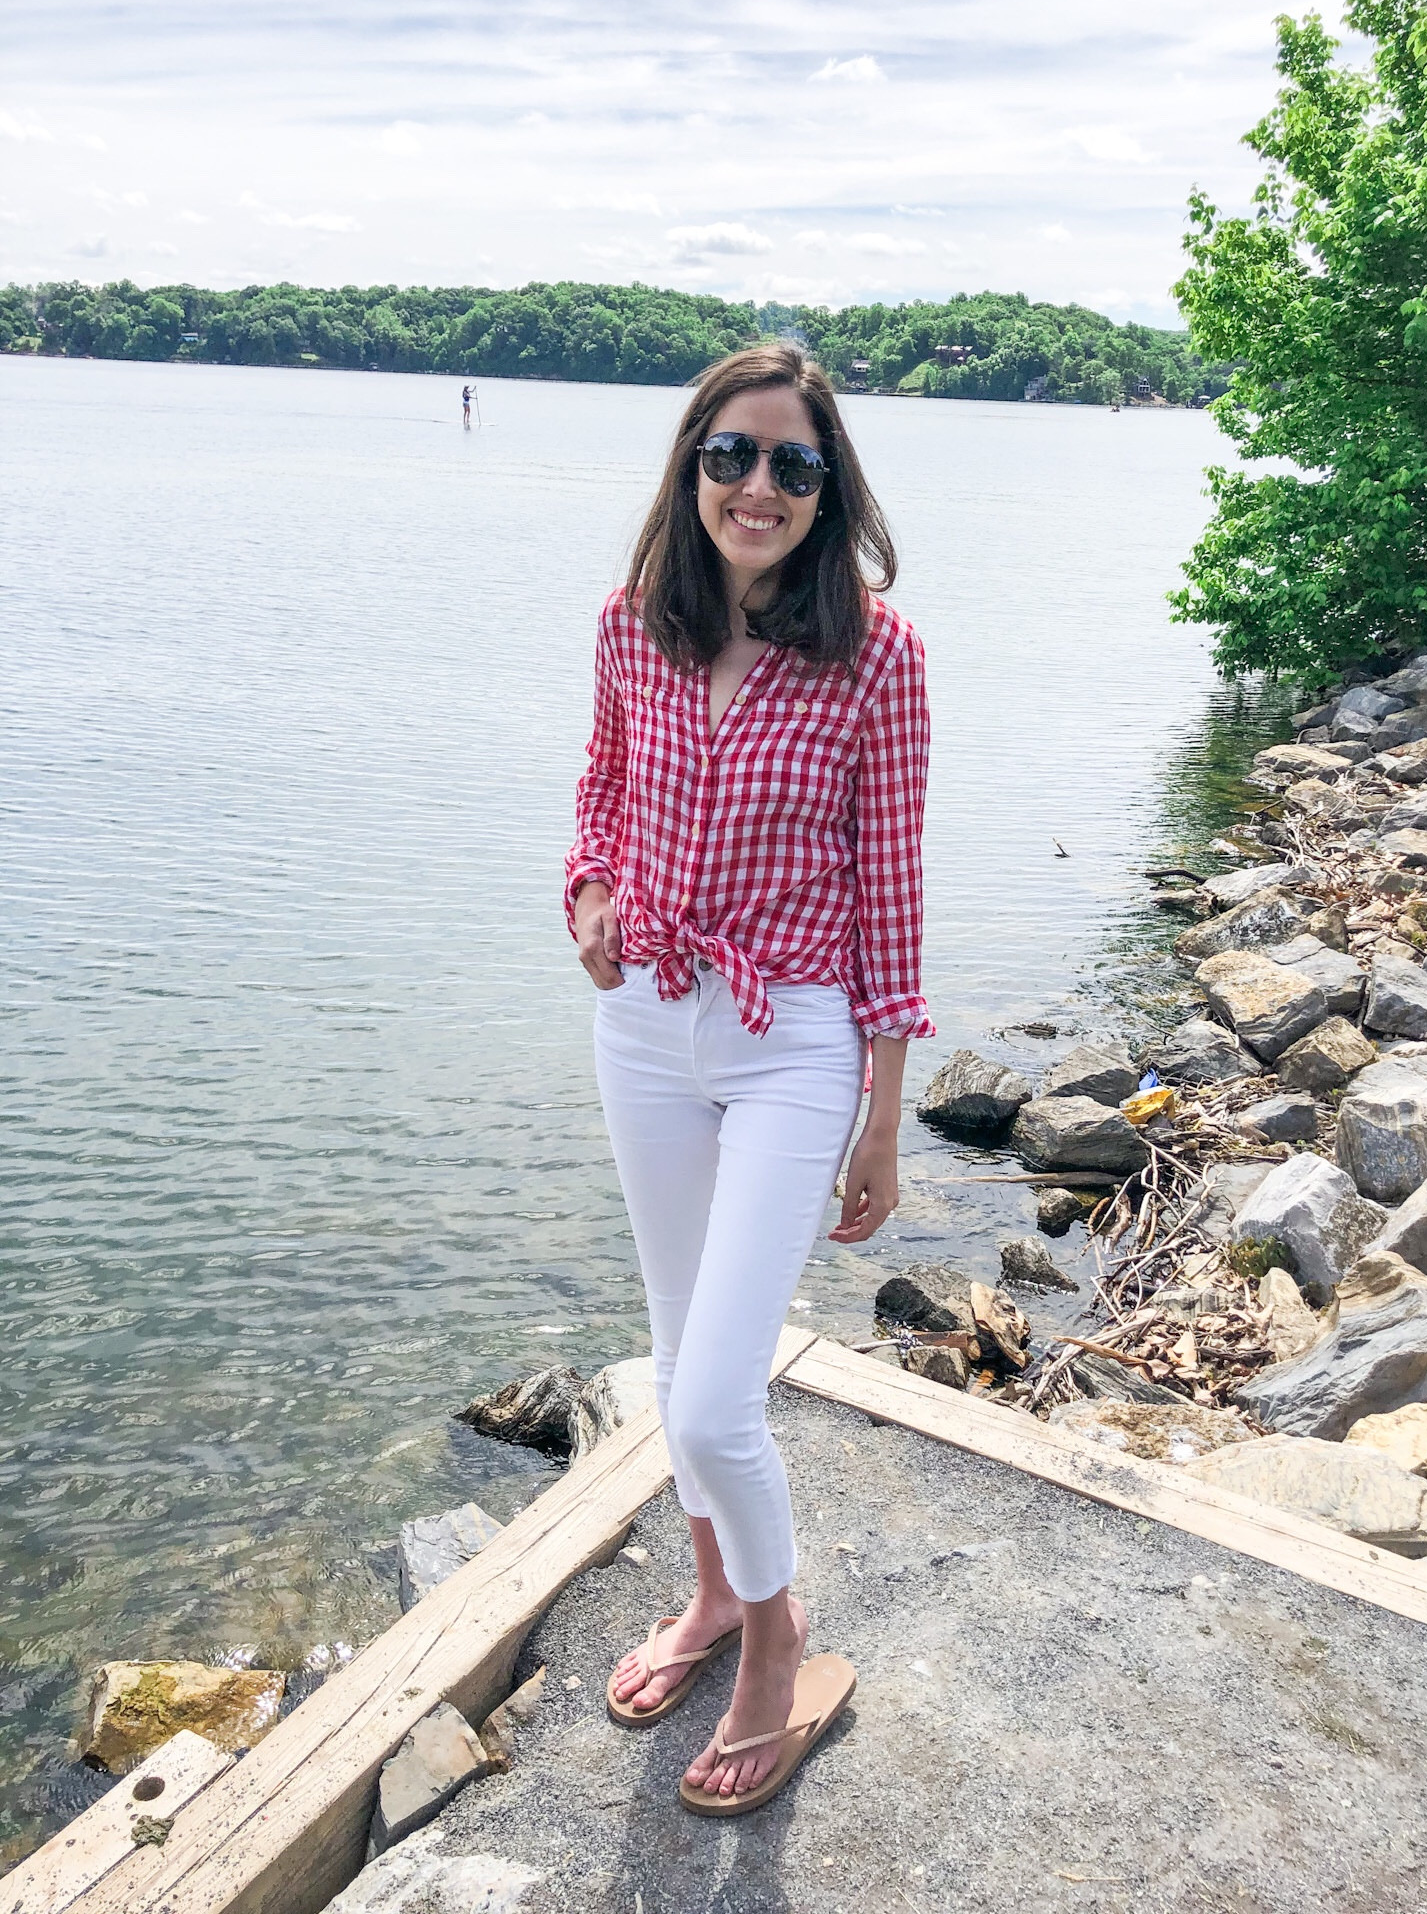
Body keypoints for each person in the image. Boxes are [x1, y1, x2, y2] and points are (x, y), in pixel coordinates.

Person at [565, 342, 932, 1816]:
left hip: (796, 1044)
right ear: (691, 467)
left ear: (828, 485)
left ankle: (780, 1646)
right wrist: (587, 886)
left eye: (793, 463)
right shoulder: (628, 628)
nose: (758, 487)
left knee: (719, 1400)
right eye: (731, 456)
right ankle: (716, 1597)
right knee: (670, 1359)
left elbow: (892, 891)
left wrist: (884, 1115)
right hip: (646, 1026)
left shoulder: (877, 658)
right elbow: (597, 786)